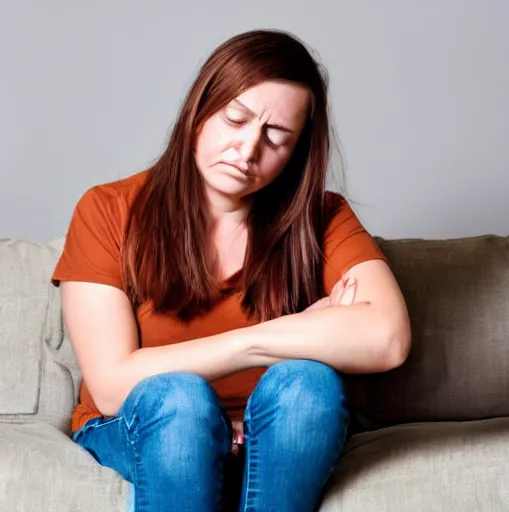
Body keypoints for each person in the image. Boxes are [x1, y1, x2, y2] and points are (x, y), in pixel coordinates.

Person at [51, 29, 411, 512]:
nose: (247, 151)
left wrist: (266, 364)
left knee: (309, 385)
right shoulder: (107, 210)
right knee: (180, 400)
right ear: (200, 110)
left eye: (276, 137)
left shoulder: (322, 217)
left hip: (271, 435)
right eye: (235, 119)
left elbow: (388, 338)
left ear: (297, 151)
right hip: (144, 427)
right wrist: (275, 336)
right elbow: (115, 386)